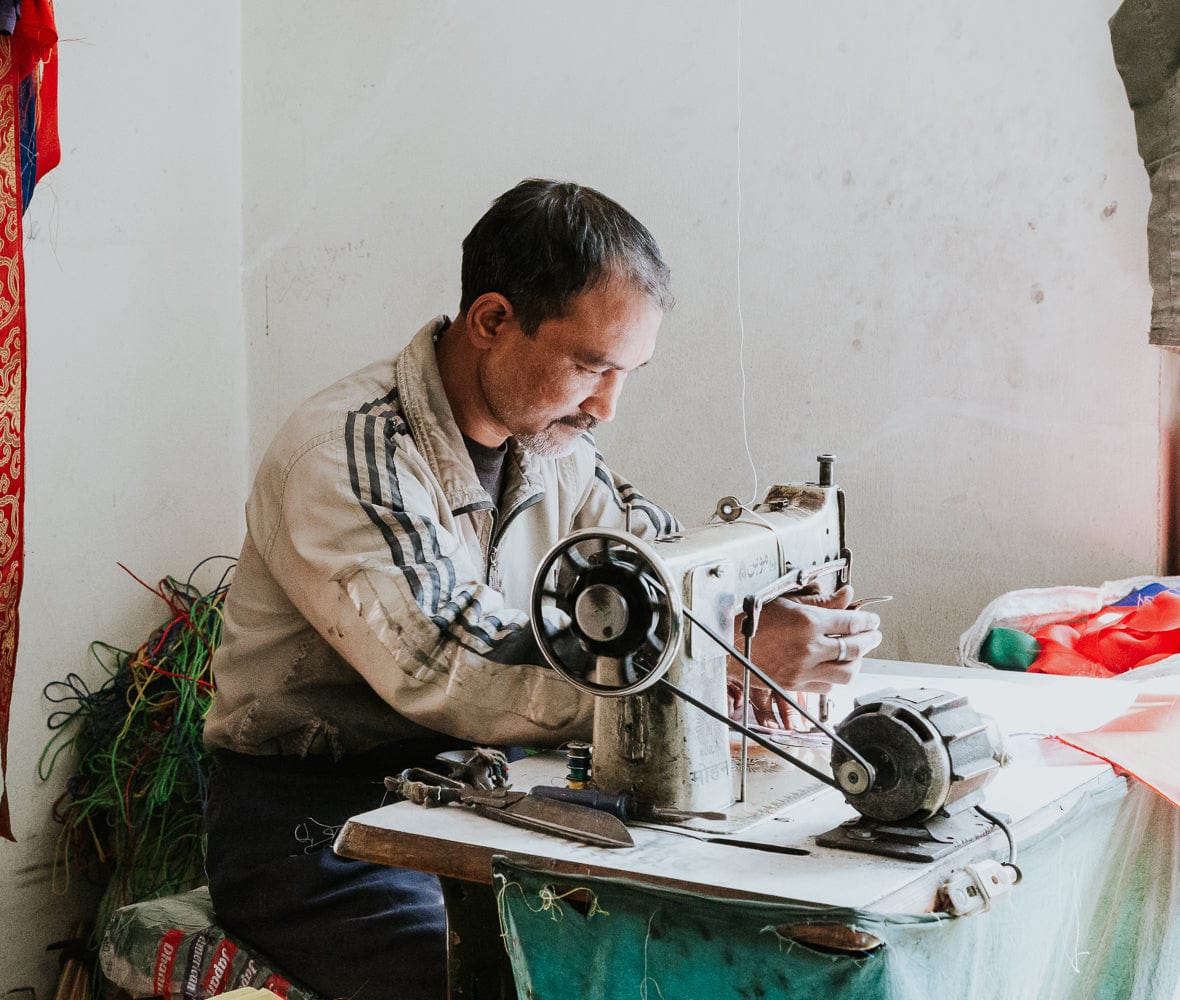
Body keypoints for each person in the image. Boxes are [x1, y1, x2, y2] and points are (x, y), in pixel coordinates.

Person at [201, 178, 883, 1000]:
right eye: (591, 366)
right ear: (492, 321)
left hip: (487, 788)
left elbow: (656, 562)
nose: (608, 406)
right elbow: (448, 661)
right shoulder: (349, 454)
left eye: (626, 372)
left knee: (684, 957)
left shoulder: (555, 446)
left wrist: (762, 614)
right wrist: (725, 654)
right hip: (322, 829)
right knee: (513, 987)